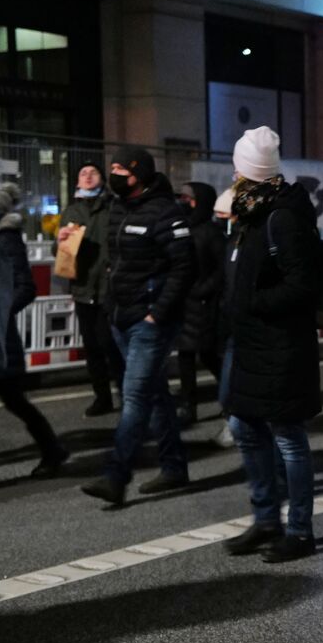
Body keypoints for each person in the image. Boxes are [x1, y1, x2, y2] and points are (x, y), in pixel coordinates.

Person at [212, 129, 322, 563]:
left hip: (280, 344)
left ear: (247, 171)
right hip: (252, 341)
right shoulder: (251, 211)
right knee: (243, 426)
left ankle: (299, 530)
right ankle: (265, 520)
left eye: (238, 167)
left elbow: (302, 285)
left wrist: (253, 303)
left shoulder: (282, 217)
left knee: (289, 437)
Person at [80, 146, 194, 507]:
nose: (113, 174)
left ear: (139, 174)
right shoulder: (117, 207)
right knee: (155, 393)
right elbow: (116, 263)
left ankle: (116, 475)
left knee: (135, 397)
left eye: (120, 169)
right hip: (121, 317)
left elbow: (184, 267)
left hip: (149, 321)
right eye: (111, 167)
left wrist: (157, 312)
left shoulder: (165, 212)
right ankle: (174, 466)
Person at [0, 191, 67, 477]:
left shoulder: (6, 239)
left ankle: (52, 451)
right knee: (15, 399)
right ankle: (53, 450)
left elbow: (24, 288)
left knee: (15, 399)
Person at [58, 161, 124, 417]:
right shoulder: (71, 211)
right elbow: (60, 254)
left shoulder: (112, 208)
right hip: (83, 288)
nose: (87, 176)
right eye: (82, 173)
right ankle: (102, 397)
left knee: (111, 345)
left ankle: (125, 394)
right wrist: (61, 242)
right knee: (93, 348)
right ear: (76, 182)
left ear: (102, 180)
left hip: (109, 287)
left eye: (92, 172)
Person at [174, 182, 225, 425]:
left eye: (188, 198)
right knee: (185, 356)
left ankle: (230, 397)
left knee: (208, 354)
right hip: (184, 303)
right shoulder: (182, 229)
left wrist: (202, 290)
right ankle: (188, 406)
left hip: (204, 304)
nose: (184, 202)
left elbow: (221, 269)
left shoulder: (211, 232)